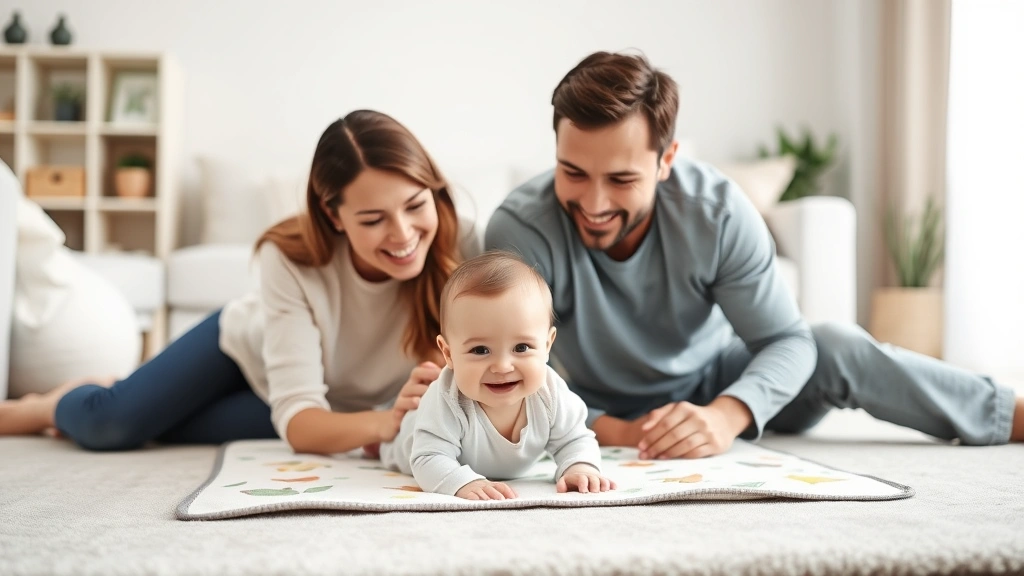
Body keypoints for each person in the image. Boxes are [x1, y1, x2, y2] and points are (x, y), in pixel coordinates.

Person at [484, 51, 1024, 459]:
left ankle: (1010, 414)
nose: (594, 203)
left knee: (834, 343)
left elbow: (788, 342)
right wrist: (621, 433)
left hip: (718, 379)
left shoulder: (715, 212)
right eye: (573, 172)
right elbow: (510, 375)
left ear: (667, 159)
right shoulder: (520, 228)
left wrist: (726, 415)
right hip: (581, 403)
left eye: (622, 178)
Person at [0, 110, 478, 454]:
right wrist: (385, 422)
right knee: (111, 425)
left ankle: (126, 390)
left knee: (164, 430)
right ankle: (51, 406)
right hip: (243, 353)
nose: (403, 235)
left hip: (331, 400)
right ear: (334, 216)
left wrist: (387, 421)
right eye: (373, 219)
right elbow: (300, 422)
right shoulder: (289, 257)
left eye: (416, 205)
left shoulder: (467, 250)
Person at [380, 250, 615, 500]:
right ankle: (379, 441)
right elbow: (428, 458)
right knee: (394, 446)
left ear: (547, 345)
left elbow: (575, 438)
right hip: (411, 438)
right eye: (480, 350)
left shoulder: (550, 393)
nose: (502, 366)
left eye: (521, 348)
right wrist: (462, 483)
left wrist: (579, 466)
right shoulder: (447, 400)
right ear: (448, 354)